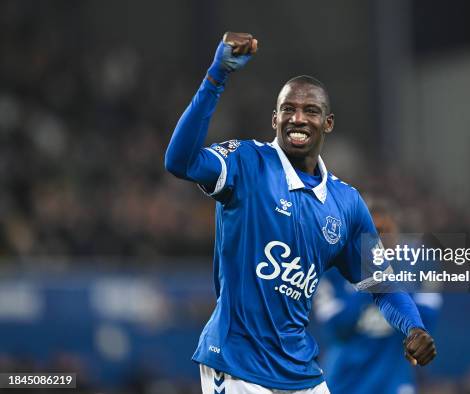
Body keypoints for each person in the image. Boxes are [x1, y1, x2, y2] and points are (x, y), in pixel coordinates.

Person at [164, 32, 436, 394]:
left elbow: (382, 286)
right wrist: (217, 75)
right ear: (274, 118)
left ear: (328, 123)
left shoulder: (346, 203)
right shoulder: (248, 163)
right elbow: (179, 161)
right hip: (235, 363)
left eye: (310, 111)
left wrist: (413, 327)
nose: (298, 118)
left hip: (300, 372)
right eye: (288, 109)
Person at [314, 197, 442, 394]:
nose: (379, 240)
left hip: (394, 379)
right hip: (345, 379)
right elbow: (335, 328)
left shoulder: (419, 263)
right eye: (371, 232)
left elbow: (427, 321)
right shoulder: (333, 266)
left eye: (385, 231)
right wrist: (372, 280)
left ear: (396, 233)